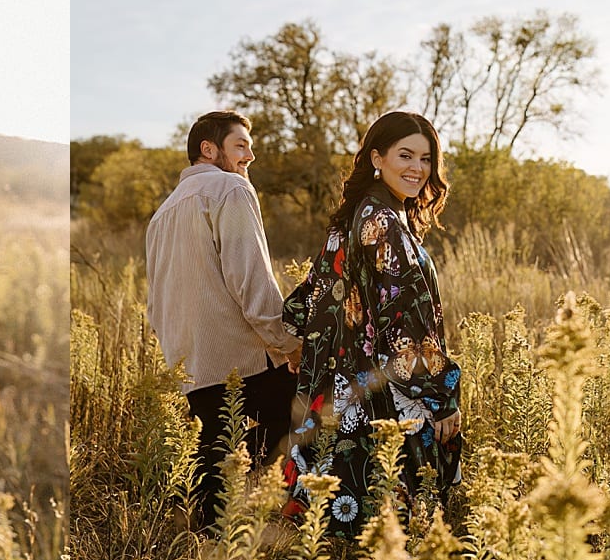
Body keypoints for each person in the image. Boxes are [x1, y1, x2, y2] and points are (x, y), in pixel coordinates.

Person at [282, 110, 463, 536]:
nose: (417, 169)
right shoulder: (383, 222)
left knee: (347, 528)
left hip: (347, 390)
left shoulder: (359, 215)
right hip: (388, 393)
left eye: (425, 159)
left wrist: (299, 345)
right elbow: (404, 325)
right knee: (396, 529)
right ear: (377, 158)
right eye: (406, 155)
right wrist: (440, 396)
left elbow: (313, 292)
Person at [145, 110, 303, 528]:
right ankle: (283, 522)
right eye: (241, 145)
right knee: (307, 415)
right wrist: (288, 342)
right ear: (208, 149)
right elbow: (250, 278)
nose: (250, 156)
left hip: (190, 364)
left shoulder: (161, 214)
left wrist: (175, 357)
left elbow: (154, 301)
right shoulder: (231, 189)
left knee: (214, 471)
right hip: (242, 357)